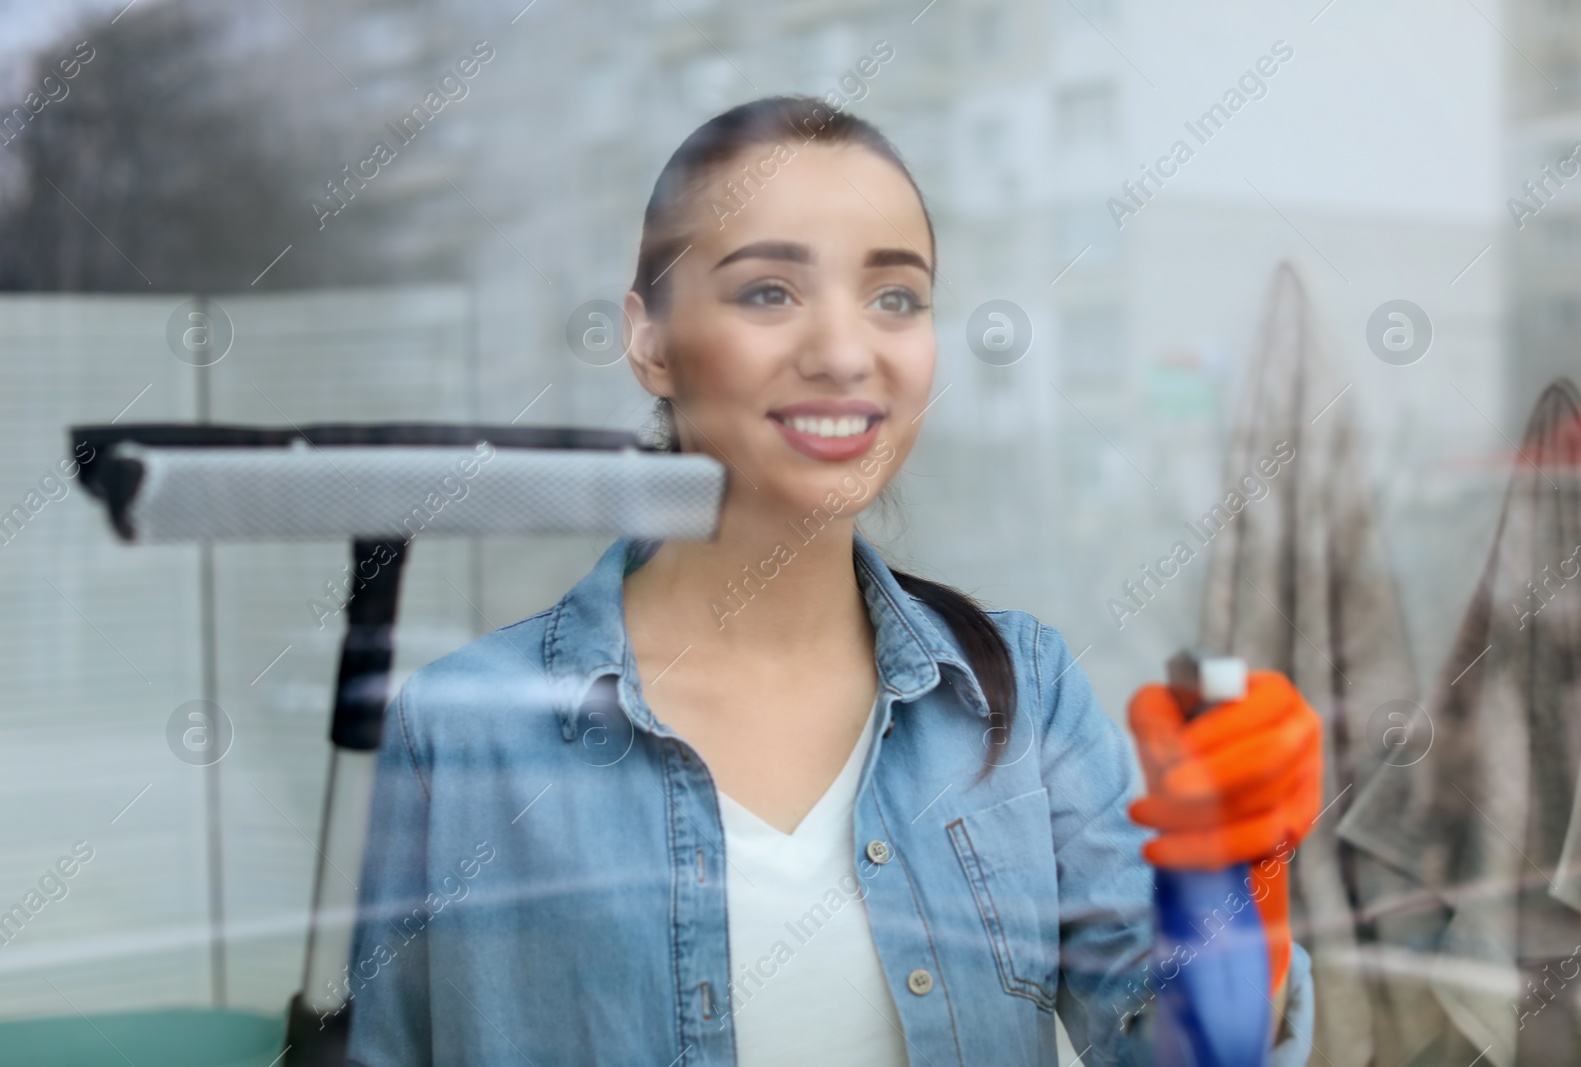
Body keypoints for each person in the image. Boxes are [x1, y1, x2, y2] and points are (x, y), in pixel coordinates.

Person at [344, 94, 1321, 1067]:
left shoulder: (1021, 696)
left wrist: (1239, 880)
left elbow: (1187, 1053)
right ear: (646, 339)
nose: (847, 352)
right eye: (768, 291)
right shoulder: (466, 728)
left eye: (895, 296)